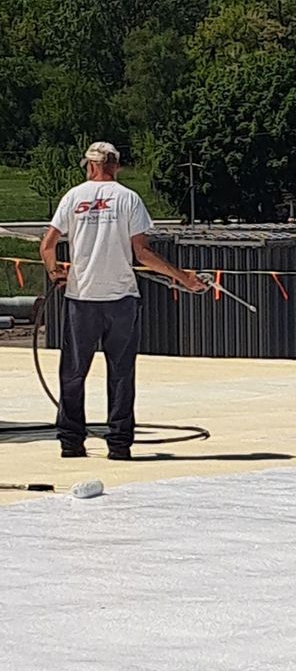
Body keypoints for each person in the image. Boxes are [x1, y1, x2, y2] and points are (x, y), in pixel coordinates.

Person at [39, 142, 205, 460]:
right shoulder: (129, 199)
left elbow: (48, 245)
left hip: (81, 298)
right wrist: (182, 277)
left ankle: (71, 442)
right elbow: (142, 252)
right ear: (116, 166)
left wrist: (54, 272)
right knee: (121, 373)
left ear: (89, 166)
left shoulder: (73, 198)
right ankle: (119, 445)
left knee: (73, 373)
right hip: (121, 300)